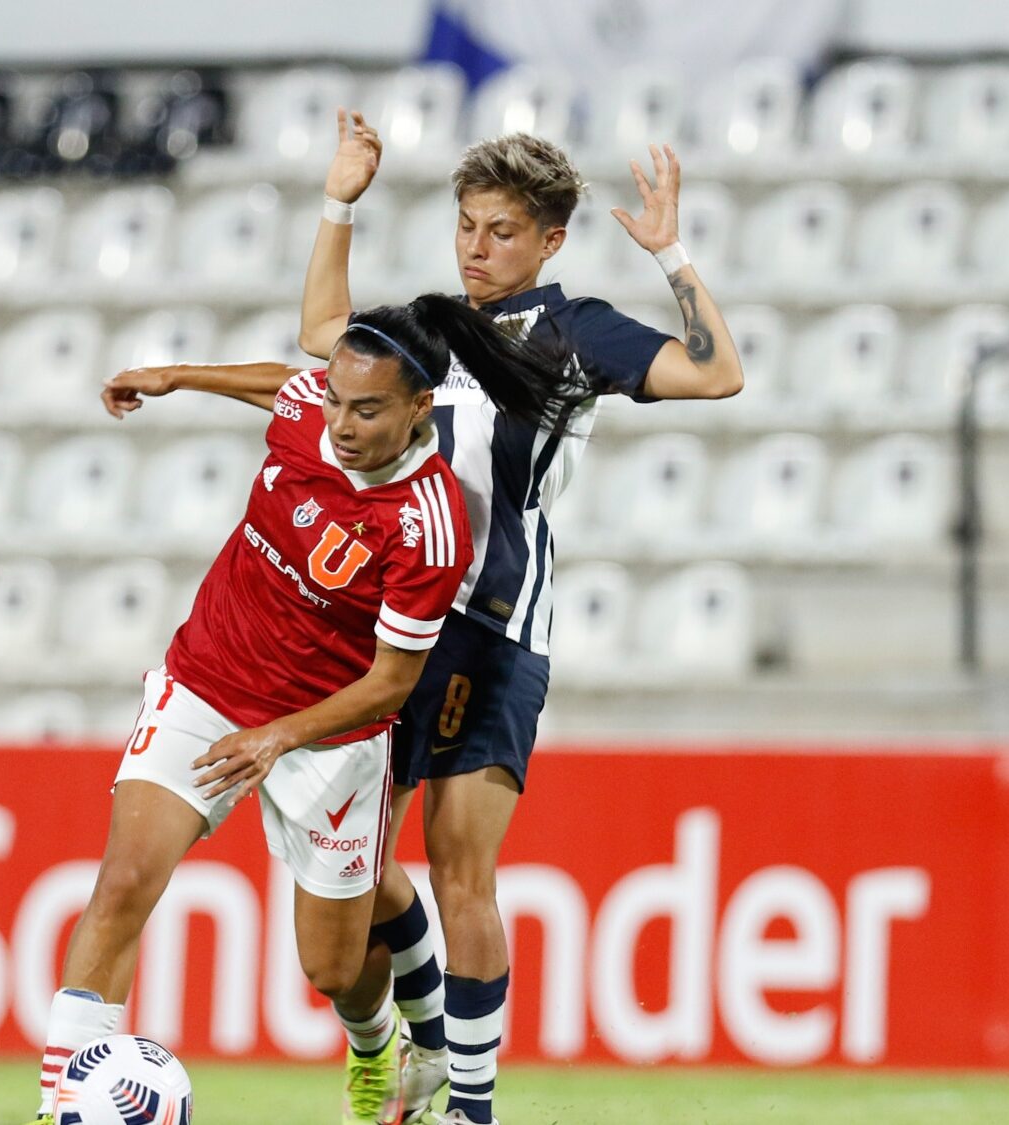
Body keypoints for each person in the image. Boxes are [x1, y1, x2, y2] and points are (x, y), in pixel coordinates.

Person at [102, 118, 746, 1124]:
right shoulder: (434, 324)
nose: (475, 248)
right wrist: (339, 203)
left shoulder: (576, 333)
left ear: (549, 242)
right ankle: (420, 1046)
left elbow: (717, 374)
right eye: (465, 226)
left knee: (461, 869)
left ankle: (469, 1107)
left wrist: (669, 254)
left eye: (498, 231)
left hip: (488, 625)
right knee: (359, 875)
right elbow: (322, 351)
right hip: (381, 627)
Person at [29, 296, 589, 1125]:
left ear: (415, 408)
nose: (341, 422)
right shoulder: (310, 413)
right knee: (121, 884)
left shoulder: (430, 529)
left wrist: (278, 737)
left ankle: (378, 1048)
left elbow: (392, 684)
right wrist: (177, 375)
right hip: (207, 683)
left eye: (365, 409)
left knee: (331, 966)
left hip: (331, 733)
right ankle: (59, 1107)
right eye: (334, 398)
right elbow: (281, 387)